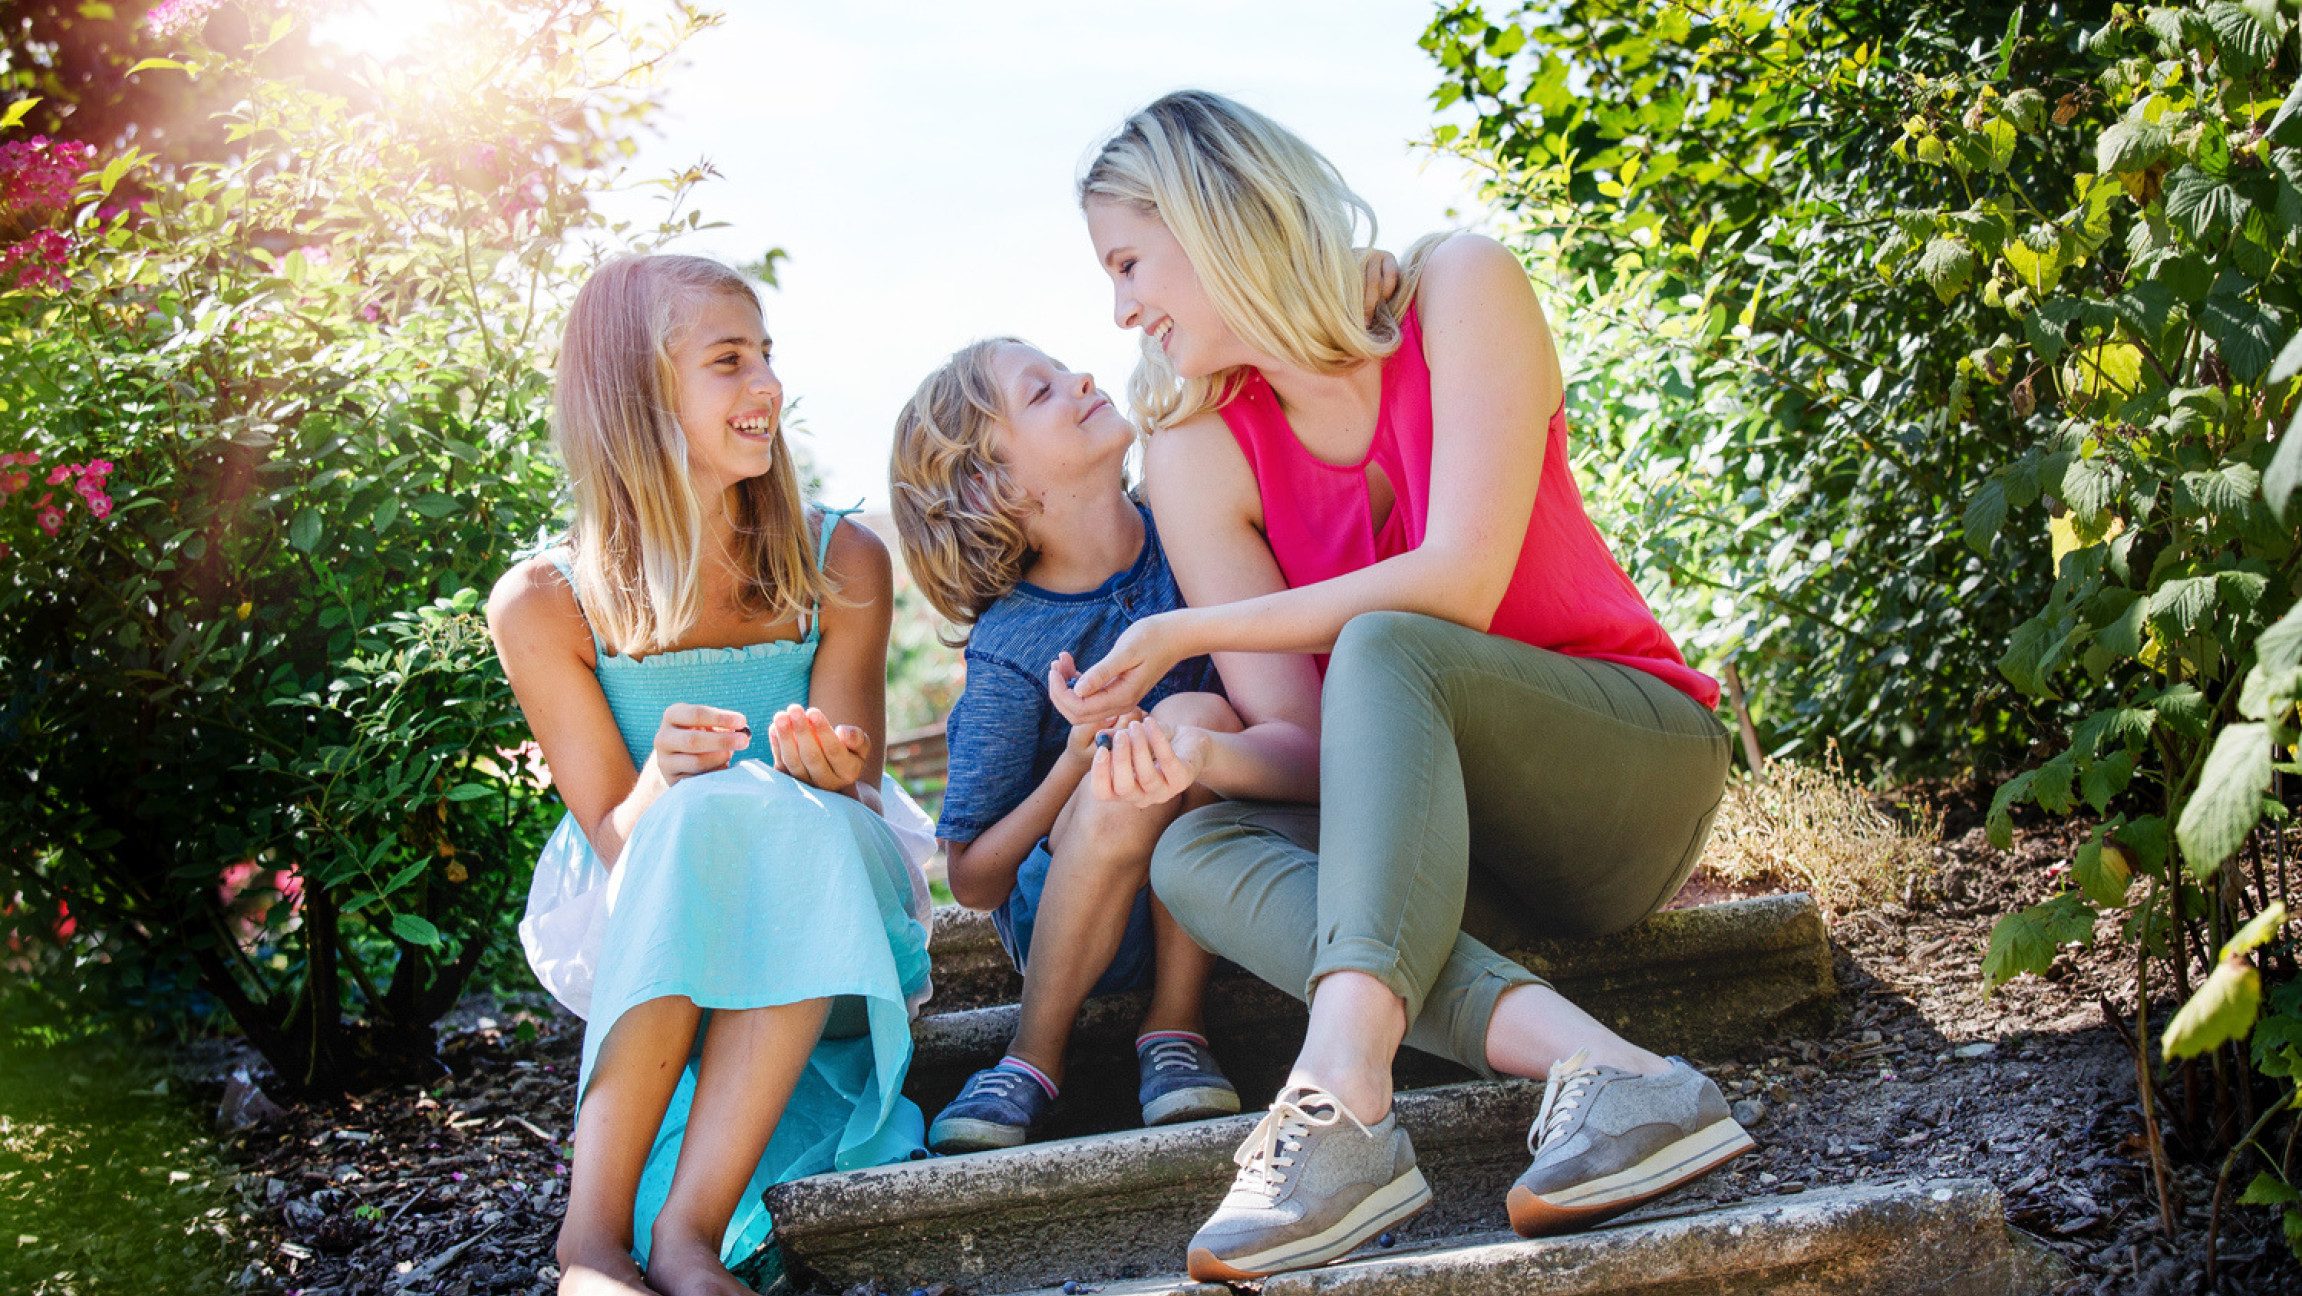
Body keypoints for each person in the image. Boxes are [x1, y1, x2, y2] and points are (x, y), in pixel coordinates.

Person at [1059, 91, 1749, 1281]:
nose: (1122, 310)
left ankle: (1337, 1104)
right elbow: (1306, 741)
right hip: (1442, 857)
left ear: (1214, 215)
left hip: (1618, 778)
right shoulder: (1198, 446)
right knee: (1196, 851)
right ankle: (1617, 1075)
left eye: (1128, 262)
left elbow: (1459, 585)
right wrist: (1201, 760)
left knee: (1389, 637)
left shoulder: (1458, 287)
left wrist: (1186, 628)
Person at [489, 254, 935, 1296]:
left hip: (834, 917)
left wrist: (822, 773)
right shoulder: (543, 602)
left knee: (766, 807)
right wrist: (659, 776)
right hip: (658, 920)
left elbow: (854, 795)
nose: (767, 388)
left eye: (766, 356)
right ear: (637, 397)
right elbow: (615, 835)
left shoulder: (843, 559)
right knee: (715, 809)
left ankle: (668, 1235)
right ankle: (593, 1246)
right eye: (729, 362)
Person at [886, 337, 1254, 1153]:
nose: (1082, 379)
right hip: (1085, 926)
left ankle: (1175, 1029)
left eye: (1065, 372)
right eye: (1041, 392)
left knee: (1193, 716)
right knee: (1133, 760)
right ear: (995, 483)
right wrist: (1076, 759)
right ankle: (1031, 1057)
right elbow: (976, 881)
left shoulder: (1195, 535)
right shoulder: (1013, 644)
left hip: (1224, 881)